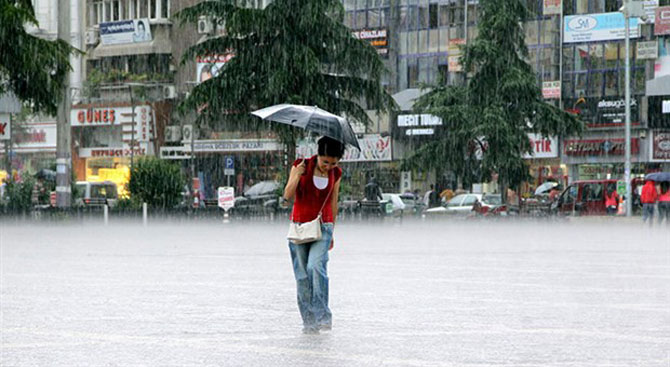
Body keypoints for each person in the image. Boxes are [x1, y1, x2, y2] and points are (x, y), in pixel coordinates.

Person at [283, 136, 344, 334]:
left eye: (333, 163)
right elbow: (287, 196)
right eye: (325, 161)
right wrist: (296, 175)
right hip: (299, 227)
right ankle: (309, 323)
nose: (328, 166)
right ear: (318, 155)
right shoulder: (301, 166)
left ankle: (323, 316)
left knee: (315, 266)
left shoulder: (336, 174)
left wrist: (332, 229)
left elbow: (334, 202)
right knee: (302, 276)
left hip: (322, 227)